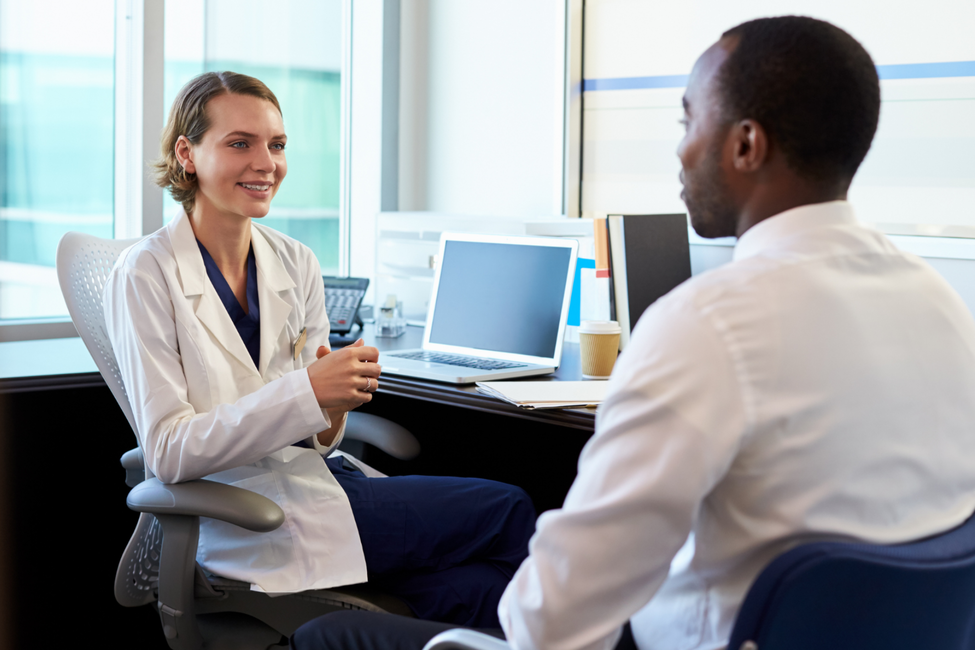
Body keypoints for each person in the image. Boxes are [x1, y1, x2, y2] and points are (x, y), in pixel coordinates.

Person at [292, 15, 975, 650]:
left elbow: (550, 623)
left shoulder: (708, 321)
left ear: (745, 144)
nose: (680, 152)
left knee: (333, 635)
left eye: (687, 120)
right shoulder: (936, 301)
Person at [103, 71, 535, 627]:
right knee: (510, 511)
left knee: (480, 589)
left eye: (277, 145)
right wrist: (307, 392)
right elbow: (166, 452)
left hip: (320, 485)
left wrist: (333, 405)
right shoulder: (145, 272)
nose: (267, 163)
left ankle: (353, 635)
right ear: (187, 154)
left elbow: (318, 440)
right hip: (247, 515)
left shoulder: (295, 261)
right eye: (241, 143)